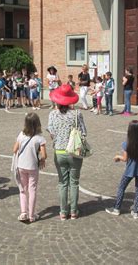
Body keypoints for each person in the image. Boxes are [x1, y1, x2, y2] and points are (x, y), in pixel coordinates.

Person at [47, 84, 87, 220]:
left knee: (63, 182)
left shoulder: (52, 114)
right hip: (74, 152)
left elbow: (51, 133)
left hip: (59, 152)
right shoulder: (77, 114)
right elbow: (84, 133)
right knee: (74, 182)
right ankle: (74, 211)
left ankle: (63, 212)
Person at [105, 120, 138, 219]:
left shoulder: (127, 144)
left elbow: (125, 159)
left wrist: (118, 157)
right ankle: (136, 212)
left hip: (129, 170)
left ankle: (116, 208)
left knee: (121, 187)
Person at [13, 112, 47, 223]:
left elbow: (14, 149)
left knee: (22, 190)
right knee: (32, 190)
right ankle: (32, 215)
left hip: (21, 166)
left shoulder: (21, 135)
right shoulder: (40, 138)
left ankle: (23, 212)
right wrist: (41, 159)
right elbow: (44, 155)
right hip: (33, 167)